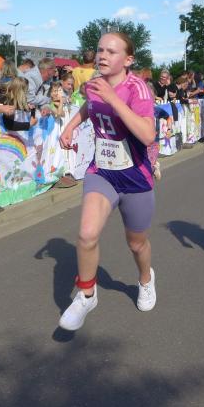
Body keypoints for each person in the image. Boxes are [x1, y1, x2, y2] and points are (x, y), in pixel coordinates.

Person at [56, 32, 157, 331]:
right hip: (102, 172)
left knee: (136, 243)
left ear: (128, 60)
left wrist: (113, 98)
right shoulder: (93, 85)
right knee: (87, 234)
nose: (102, 55)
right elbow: (89, 106)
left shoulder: (138, 89)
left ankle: (146, 279)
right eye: (100, 50)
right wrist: (71, 126)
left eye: (111, 52)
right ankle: (87, 294)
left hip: (136, 176)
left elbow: (147, 135)